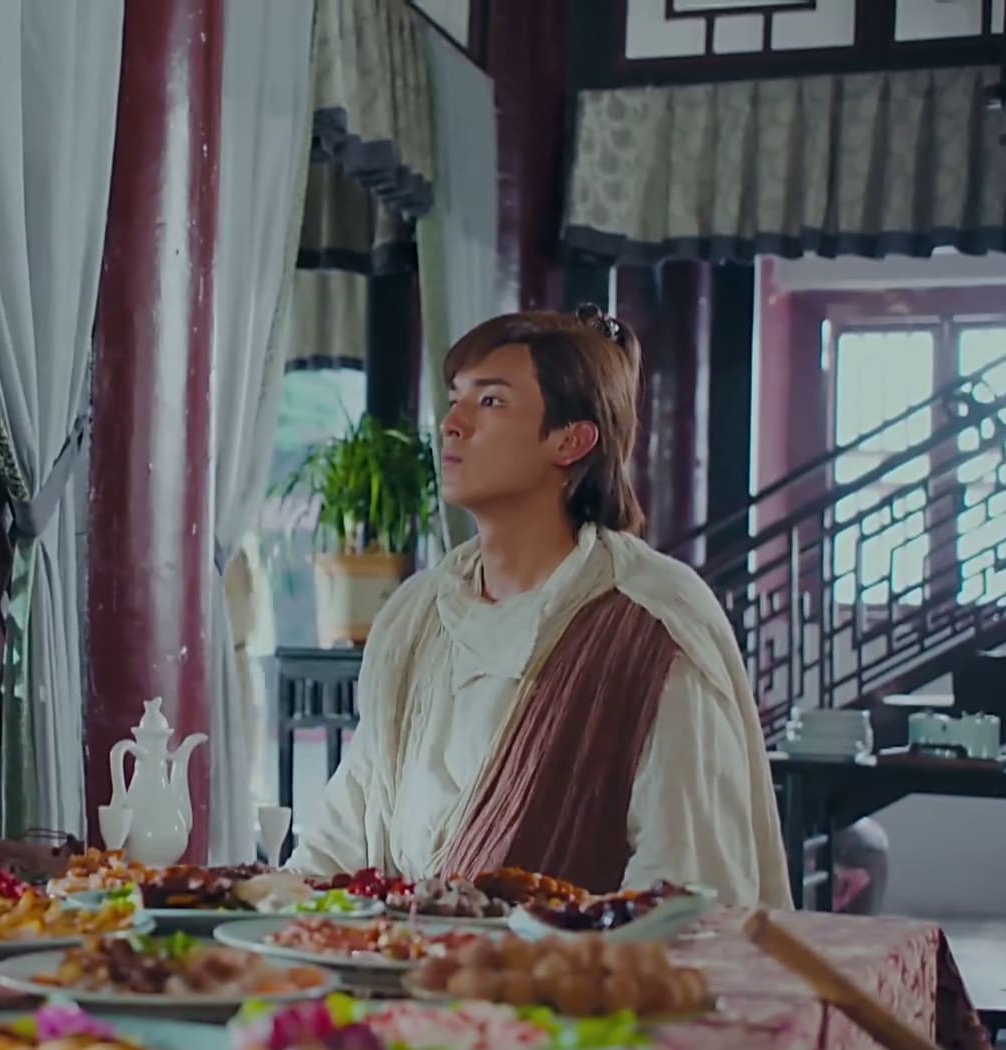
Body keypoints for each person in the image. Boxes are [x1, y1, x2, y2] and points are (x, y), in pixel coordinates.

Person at [288, 307, 792, 908]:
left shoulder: (647, 623)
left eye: (491, 402)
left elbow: (688, 886)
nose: (452, 424)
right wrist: (272, 905)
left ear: (571, 440)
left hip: (581, 967)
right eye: (455, 399)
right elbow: (350, 820)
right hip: (400, 959)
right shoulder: (417, 614)